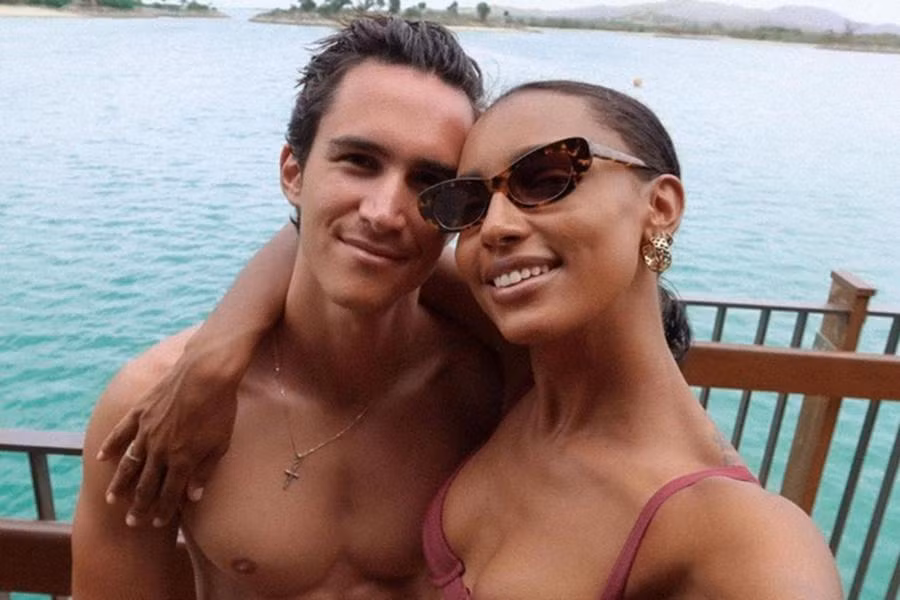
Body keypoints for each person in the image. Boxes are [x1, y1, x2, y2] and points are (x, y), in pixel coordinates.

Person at [73, 17, 512, 599]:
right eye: (359, 161)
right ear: (293, 173)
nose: (384, 211)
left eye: (429, 181)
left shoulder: (491, 380)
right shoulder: (159, 404)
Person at [418, 80, 843, 598]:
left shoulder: (739, 537)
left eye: (547, 179)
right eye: (469, 204)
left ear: (659, 206)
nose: (495, 226)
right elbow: (380, 257)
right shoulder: (525, 379)